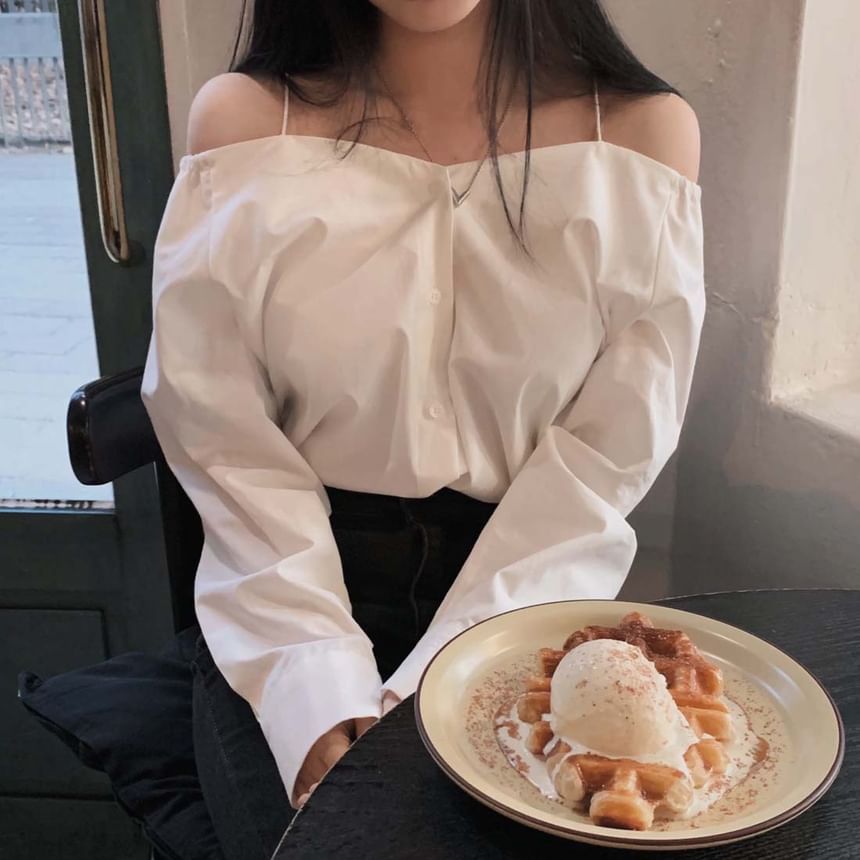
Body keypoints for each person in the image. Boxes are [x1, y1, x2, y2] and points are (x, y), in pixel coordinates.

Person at [141, 0, 704, 856]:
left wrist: (457, 669)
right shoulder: (243, 127)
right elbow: (224, 442)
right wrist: (313, 687)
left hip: (532, 598)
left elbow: (604, 458)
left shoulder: (642, 138)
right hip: (287, 598)